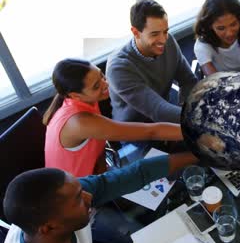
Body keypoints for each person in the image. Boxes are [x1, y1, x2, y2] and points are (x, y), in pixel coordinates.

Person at [1, 152, 198, 243]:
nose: (88, 197)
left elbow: (134, 174)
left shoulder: (67, 199)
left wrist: (200, 156)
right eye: (79, 199)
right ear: (50, 227)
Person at [43, 58, 184, 178]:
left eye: (101, 75)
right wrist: (194, 131)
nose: (106, 84)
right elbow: (151, 132)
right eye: (97, 86)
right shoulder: (80, 122)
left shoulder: (76, 100)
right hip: (77, 190)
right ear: (75, 95)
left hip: (96, 169)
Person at [106, 0, 198, 124]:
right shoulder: (118, 67)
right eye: (154, 34)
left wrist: (186, 108)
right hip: (137, 134)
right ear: (135, 32)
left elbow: (188, 81)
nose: (163, 40)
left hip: (167, 119)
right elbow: (158, 110)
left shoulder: (168, 41)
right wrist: (196, 119)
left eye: (165, 32)